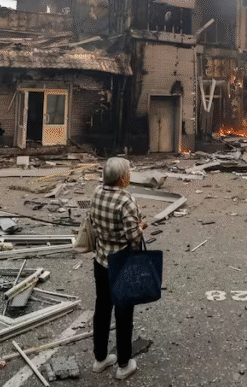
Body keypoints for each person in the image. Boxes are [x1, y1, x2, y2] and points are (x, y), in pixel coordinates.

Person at [88, 156, 148, 380]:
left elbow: (93, 223)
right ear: (122, 178)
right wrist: (141, 226)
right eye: (128, 173)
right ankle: (123, 364)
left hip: (101, 260)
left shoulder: (96, 193)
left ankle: (100, 359)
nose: (129, 176)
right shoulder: (126, 200)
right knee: (123, 314)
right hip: (122, 263)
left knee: (102, 309)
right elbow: (133, 237)